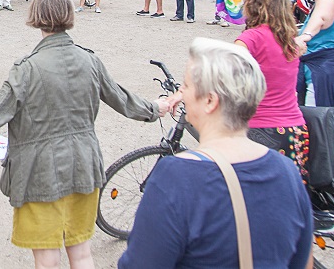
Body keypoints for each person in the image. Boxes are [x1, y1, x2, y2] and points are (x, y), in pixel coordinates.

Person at [0, 0, 172, 269]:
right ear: (69, 15)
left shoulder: (27, 69)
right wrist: (157, 107)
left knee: (47, 259)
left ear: (36, 16)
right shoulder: (90, 61)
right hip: (84, 167)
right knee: (82, 253)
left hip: (39, 174)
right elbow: (123, 100)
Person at [120, 38, 313, 269]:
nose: (182, 92)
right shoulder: (287, 172)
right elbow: (303, 262)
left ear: (210, 101)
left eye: (187, 86)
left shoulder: (175, 177)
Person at [236, 0, 308, 181]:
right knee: (286, 196)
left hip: (261, 129)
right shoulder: (289, 40)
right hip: (294, 129)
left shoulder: (250, 39)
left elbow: (227, 74)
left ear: (252, 4)